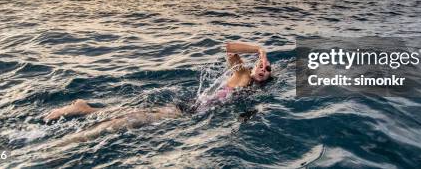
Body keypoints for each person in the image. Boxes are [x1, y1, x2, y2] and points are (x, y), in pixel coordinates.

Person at [43, 42, 272, 141]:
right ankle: (66, 144)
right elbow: (228, 48)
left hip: (186, 108)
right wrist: (260, 50)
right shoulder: (242, 76)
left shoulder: (253, 91)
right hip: (185, 112)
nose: (263, 69)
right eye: (261, 65)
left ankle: (84, 108)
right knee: (119, 123)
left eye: (268, 69)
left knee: (125, 113)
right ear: (254, 66)